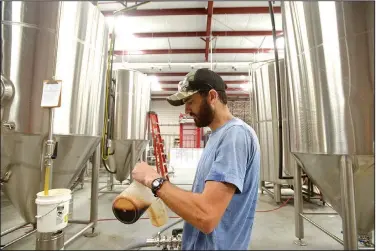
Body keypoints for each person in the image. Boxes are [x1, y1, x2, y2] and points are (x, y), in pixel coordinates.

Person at [132, 68, 260, 250]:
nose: (187, 109)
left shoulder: (235, 136)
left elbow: (206, 216)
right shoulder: (216, 135)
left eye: (191, 101)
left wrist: (154, 181)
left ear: (212, 97)